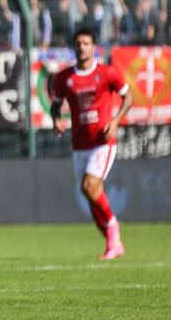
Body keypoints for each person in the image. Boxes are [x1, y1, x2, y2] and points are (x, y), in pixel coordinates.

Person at [50, 28, 134, 261]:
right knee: (90, 192)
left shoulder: (107, 73)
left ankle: (113, 230)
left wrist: (116, 121)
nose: (82, 47)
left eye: (86, 43)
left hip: (102, 141)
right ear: (73, 47)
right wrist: (56, 119)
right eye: (78, 43)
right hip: (79, 144)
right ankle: (112, 241)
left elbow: (129, 96)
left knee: (89, 186)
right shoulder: (64, 78)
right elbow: (56, 105)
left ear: (94, 47)